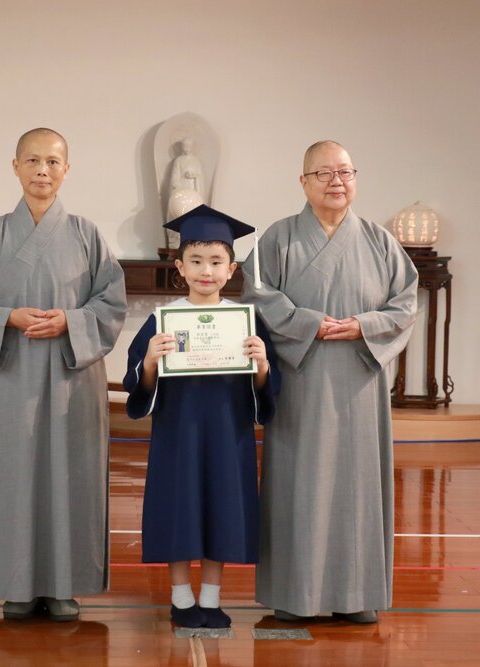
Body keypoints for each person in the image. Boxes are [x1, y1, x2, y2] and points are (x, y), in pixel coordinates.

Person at [0, 128, 127, 622]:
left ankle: (65, 584)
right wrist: (9, 317)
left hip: (72, 376)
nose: (42, 170)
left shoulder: (88, 235)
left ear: (67, 169)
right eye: (32, 160)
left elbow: (112, 304)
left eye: (52, 161)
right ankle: (15, 584)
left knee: (71, 477)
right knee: (12, 476)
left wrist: (70, 320)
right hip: (13, 373)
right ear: (15, 166)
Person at [241, 140, 418, 624]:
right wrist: (306, 323)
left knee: (360, 485)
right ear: (303, 182)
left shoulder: (380, 241)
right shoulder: (278, 239)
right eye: (324, 173)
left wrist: (364, 326)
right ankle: (295, 593)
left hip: (359, 378)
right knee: (299, 483)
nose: (337, 181)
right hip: (303, 376)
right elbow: (256, 296)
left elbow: (404, 304)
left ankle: (358, 593)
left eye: (345, 172)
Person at [124, 205, 280, 628]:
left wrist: (263, 363)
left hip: (229, 429)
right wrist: (152, 361)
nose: (206, 270)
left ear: (231, 269)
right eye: (196, 261)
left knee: (223, 507)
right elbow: (136, 380)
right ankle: (180, 597)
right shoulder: (163, 319)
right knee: (179, 507)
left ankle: (211, 598)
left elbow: (267, 385)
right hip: (179, 428)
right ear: (179, 267)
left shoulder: (246, 321)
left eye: (216, 262)